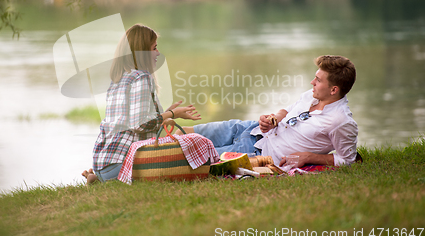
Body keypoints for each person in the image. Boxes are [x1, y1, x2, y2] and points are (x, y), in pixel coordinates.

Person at [177, 55, 358, 168]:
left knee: (185, 158)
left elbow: (348, 160)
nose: (312, 82)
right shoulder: (313, 95)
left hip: (255, 152)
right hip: (249, 129)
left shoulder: (341, 122)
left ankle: (150, 163)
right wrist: (274, 118)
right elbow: (287, 110)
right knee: (182, 133)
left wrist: (309, 157)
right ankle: (150, 148)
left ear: (333, 90)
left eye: (318, 80)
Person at [82, 24, 201, 184]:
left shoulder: (119, 79)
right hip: (122, 163)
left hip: (103, 163)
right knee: (192, 155)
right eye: (154, 48)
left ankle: (99, 179)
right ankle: (111, 179)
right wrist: (174, 114)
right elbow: (141, 124)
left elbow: (135, 124)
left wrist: (165, 113)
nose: (158, 53)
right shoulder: (141, 77)